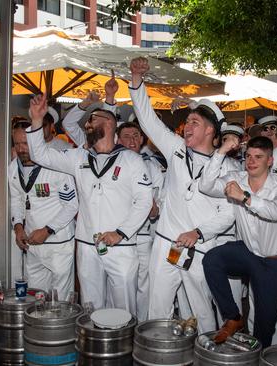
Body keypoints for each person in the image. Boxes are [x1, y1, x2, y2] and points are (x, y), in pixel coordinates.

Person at [129, 57, 236, 332]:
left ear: (211, 130)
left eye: (195, 122)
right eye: (187, 121)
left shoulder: (228, 167)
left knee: (201, 313)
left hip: (201, 249)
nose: (187, 126)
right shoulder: (176, 149)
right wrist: (137, 81)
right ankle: (157, 356)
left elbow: (228, 213)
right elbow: (148, 120)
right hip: (166, 244)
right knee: (158, 309)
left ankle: (205, 353)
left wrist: (198, 232)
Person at [27, 86, 152, 314]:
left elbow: (144, 202)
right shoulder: (78, 157)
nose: (86, 125)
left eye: (91, 121)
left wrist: (121, 232)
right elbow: (40, 155)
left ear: (107, 124)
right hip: (87, 245)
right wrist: (36, 121)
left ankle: (123, 347)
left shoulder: (132, 160)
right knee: (91, 307)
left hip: (121, 245)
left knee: (124, 307)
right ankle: (96, 348)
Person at [200, 136, 277, 346]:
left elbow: (276, 211)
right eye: (248, 156)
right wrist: (221, 151)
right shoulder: (237, 178)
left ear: (270, 161)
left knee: (263, 330)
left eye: (258, 157)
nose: (251, 161)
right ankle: (233, 317)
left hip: (273, 262)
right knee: (212, 259)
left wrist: (245, 197)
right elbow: (205, 185)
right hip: (247, 253)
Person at [9, 122, 78, 299]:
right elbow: (17, 199)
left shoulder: (56, 165)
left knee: (61, 299)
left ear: (37, 141)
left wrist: (47, 230)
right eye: (17, 144)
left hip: (58, 244)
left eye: (26, 143)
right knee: (35, 297)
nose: (21, 149)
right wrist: (18, 226)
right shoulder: (13, 168)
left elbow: (72, 205)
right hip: (32, 243)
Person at [115, 122, 164, 321]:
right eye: (127, 136)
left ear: (143, 139)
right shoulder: (111, 164)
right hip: (117, 235)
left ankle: (141, 324)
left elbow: (161, 200)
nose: (132, 140)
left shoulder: (153, 167)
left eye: (136, 135)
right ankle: (118, 323)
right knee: (119, 284)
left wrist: (154, 210)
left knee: (144, 284)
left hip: (143, 234)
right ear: (118, 139)